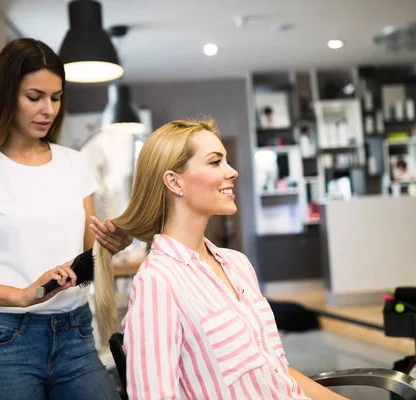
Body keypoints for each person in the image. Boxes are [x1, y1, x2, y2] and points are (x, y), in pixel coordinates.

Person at [0, 38, 129, 400]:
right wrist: (21, 295)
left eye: (55, 98)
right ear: (6, 96)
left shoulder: (74, 163)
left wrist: (110, 246)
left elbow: (88, 253)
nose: (48, 109)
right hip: (5, 339)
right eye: (34, 97)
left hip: (75, 333)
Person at [95, 119, 349, 399]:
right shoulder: (158, 281)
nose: (233, 171)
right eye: (216, 162)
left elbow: (276, 370)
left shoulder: (237, 263)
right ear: (174, 181)